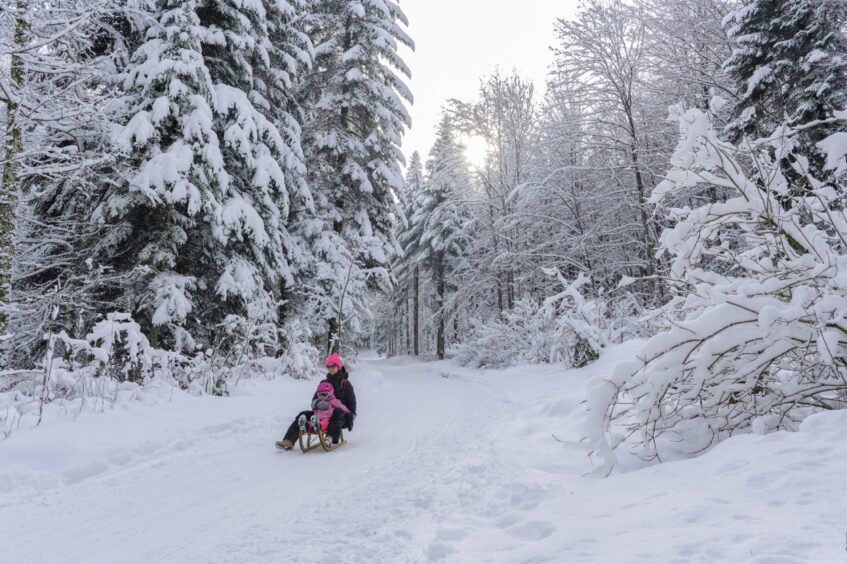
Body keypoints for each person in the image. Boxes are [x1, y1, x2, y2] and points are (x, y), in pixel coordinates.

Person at [276, 353, 358, 450]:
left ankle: (330, 438)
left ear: (339, 367)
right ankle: (289, 440)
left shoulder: (345, 384)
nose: (330, 369)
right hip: (322, 413)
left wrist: (350, 417)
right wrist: (319, 404)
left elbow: (352, 404)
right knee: (303, 414)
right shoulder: (323, 383)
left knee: (337, 412)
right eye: (328, 366)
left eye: (333, 366)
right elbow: (314, 399)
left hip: (342, 416)